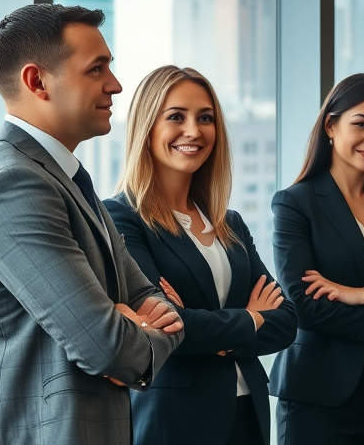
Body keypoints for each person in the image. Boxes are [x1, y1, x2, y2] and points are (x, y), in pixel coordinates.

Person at [0, 4, 184, 444]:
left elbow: (154, 300)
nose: (116, 84)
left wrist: (136, 320)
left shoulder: (66, 180)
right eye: (96, 69)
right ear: (37, 82)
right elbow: (110, 348)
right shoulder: (12, 185)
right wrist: (135, 327)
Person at [104, 65, 297, 445]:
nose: (193, 131)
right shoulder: (122, 217)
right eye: (176, 117)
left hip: (249, 410)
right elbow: (163, 327)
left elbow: (287, 321)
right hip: (175, 418)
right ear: (147, 127)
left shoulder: (229, 222)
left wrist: (202, 326)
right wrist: (252, 316)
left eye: (205, 118)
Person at [269, 73, 364, 444]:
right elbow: (303, 305)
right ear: (331, 126)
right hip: (319, 393)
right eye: (361, 124)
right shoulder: (295, 204)